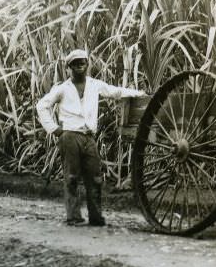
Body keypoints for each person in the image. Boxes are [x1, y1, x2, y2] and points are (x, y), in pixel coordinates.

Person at [36, 49, 146, 226]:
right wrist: (54, 129)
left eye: (83, 62)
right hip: (70, 136)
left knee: (95, 178)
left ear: (87, 65)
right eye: (75, 63)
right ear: (69, 67)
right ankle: (73, 216)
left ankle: (96, 217)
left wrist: (137, 94)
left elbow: (115, 91)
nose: (80, 66)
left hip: (89, 137)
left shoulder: (95, 85)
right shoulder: (63, 89)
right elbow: (42, 106)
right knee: (71, 177)